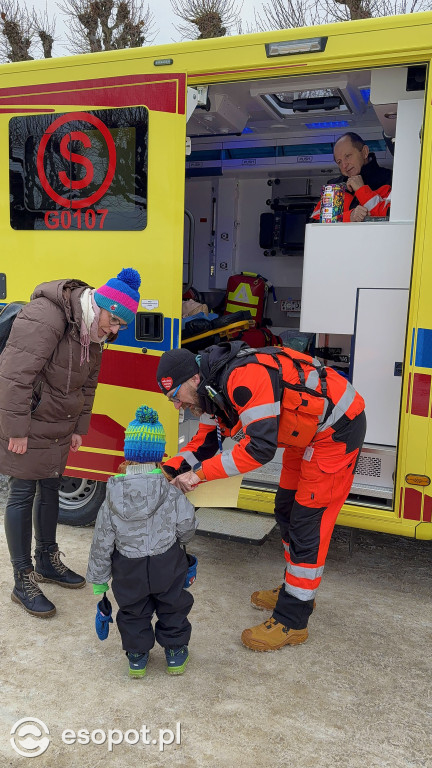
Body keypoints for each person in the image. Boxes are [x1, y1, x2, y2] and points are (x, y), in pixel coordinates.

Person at [156, 342, 366, 652]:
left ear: (193, 380)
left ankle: (293, 620)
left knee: (308, 522)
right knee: (286, 509)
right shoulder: (210, 395)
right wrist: (166, 472)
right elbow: (203, 446)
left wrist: (199, 475)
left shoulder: (243, 378)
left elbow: (259, 449)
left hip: (336, 431)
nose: (177, 406)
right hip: (308, 435)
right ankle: (293, 590)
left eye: (176, 398)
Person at [0, 268, 141, 619]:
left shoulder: (92, 330)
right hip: (29, 421)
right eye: (114, 321)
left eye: (122, 325)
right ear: (101, 305)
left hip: (59, 423)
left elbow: (88, 384)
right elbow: (15, 376)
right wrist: (15, 429)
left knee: (50, 487)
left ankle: (47, 560)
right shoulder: (46, 316)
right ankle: (22, 580)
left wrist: (79, 425)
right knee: (22, 492)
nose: (114, 330)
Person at [86, 405, 197, 678]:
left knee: (133, 610)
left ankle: (136, 656)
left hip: (128, 567)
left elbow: (102, 540)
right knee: (173, 605)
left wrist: (99, 579)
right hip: (167, 563)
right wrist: (182, 541)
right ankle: (174, 653)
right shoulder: (170, 491)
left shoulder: (112, 494)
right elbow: (186, 525)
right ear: (159, 454)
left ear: (129, 452)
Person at [311, 131, 392, 222]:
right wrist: (349, 217)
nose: (344, 165)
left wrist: (362, 191)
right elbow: (314, 223)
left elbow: (392, 216)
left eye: (348, 156)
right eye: (339, 162)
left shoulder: (390, 179)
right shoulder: (335, 187)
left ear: (365, 152)